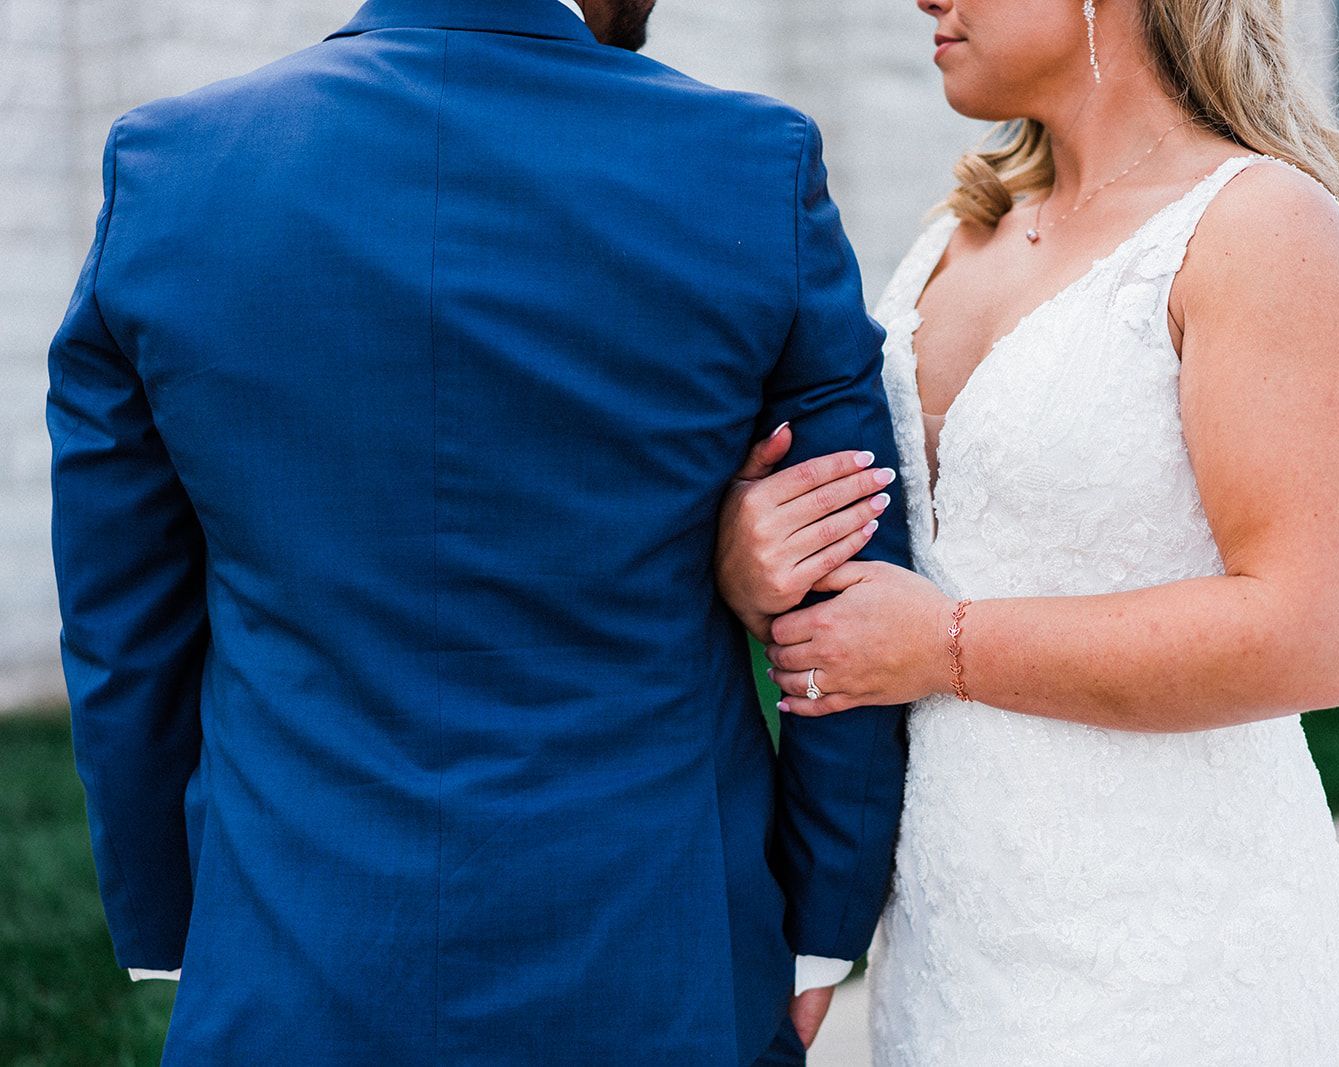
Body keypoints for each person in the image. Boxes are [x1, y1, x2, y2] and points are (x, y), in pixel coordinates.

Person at [45, 0, 910, 1061]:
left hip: (293, 953)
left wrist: (176, 918)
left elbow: (121, 618)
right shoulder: (748, 163)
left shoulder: (170, 167)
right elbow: (848, 556)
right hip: (661, 958)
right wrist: (820, 926)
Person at [718, 0, 1339, 1061]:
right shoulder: (958, 236)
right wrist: (752, 556)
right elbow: (888, 537)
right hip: (952, 940)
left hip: (1170, 947)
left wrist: (946, 644)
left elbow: (1320, 631)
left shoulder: (1255, 228)